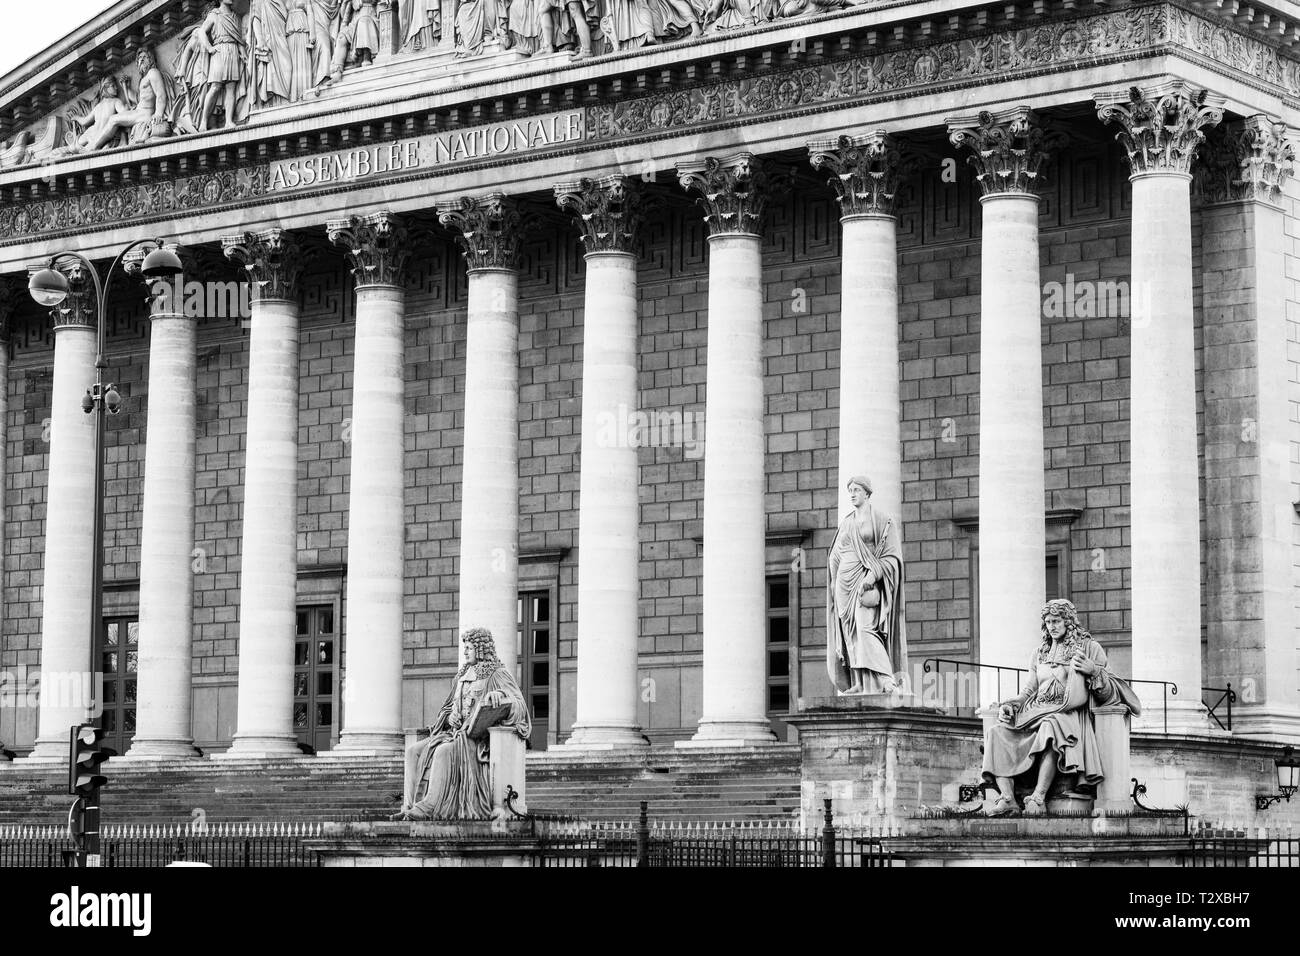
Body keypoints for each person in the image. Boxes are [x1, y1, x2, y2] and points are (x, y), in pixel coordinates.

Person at [983, 599, 1141, 816]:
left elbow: (1111, 692)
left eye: (1056, 621)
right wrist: (1010, 704)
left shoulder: (1089, 648)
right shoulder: (1039, 652)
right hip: (1035, 712)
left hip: (1067, 713)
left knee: (1051, 725)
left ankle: (1038, 797)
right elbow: (1029, 691)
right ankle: (1008, 797)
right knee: (996, 732)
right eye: (1048, 622)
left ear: (1068, 621)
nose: (1052, 626)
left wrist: (1094, 671)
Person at [397, 628, 531, 821]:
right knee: (412, 751)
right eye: (465, 648)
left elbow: (519, 706)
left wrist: (500, 696)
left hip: (476, 741)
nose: (465, 652)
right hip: (452, 734)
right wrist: (449, 715)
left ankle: (429, 806)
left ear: (481, 649)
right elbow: (447, 708)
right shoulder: (461, 675)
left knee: (443, 752)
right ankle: (409, 806)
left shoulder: (497, 673)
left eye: (469, 648)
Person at [826, 475, 907, 695]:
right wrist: (834, 582)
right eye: (850, 490)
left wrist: (872, 576)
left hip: (866, 584)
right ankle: (859, 682)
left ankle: (886, 679)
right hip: (844, 585)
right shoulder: (847, 522)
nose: (852, 494)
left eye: (856, 490)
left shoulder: (881, 520)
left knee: (865, 628)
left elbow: (891, 558)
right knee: (850, 635)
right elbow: (834, 555)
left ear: (867, 493)